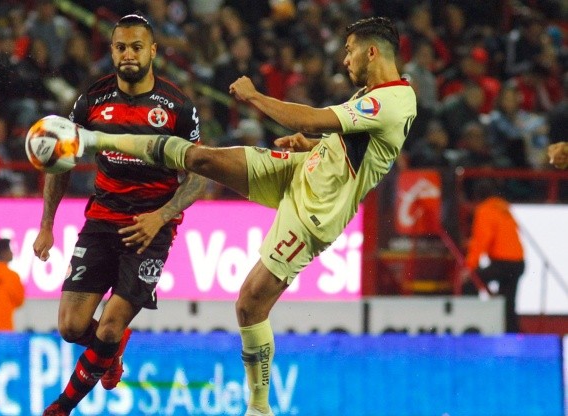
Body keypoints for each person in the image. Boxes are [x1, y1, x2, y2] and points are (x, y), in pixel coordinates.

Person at [73, 16, 416, 416]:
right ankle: (96, 138)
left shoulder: (392, 100)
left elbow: (311, 116)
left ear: (370, 52)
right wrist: (313, 144)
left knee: (250, 305)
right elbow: (349, 140)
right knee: (200, 158)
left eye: (349, 50)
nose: (345, 59)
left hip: (315, 211)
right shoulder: (379, 93)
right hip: (303, 167)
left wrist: (255, 96)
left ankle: (259, 408)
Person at [34, 14, 206, 416]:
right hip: (101, 221)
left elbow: (201, 178)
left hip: (148, 231)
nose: (128, 54)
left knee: (109, 326)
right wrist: (46, 227)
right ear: (112, 51)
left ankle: (61, 408)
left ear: (152, 52)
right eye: (121, 47)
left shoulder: (178, 107)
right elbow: (60, 162)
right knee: (72, 328)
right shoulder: (91, 100)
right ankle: (110, 355)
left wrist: (161, 216)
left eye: (136, 47)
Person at [461, 180, 525, 333]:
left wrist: (469, 267)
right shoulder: (503, 208)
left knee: (470, 284)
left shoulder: (484, 210)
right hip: (518, 263)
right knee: (508, 303)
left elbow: (481, 241)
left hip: (503, 262)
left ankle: (474, 323)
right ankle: (512, 333)